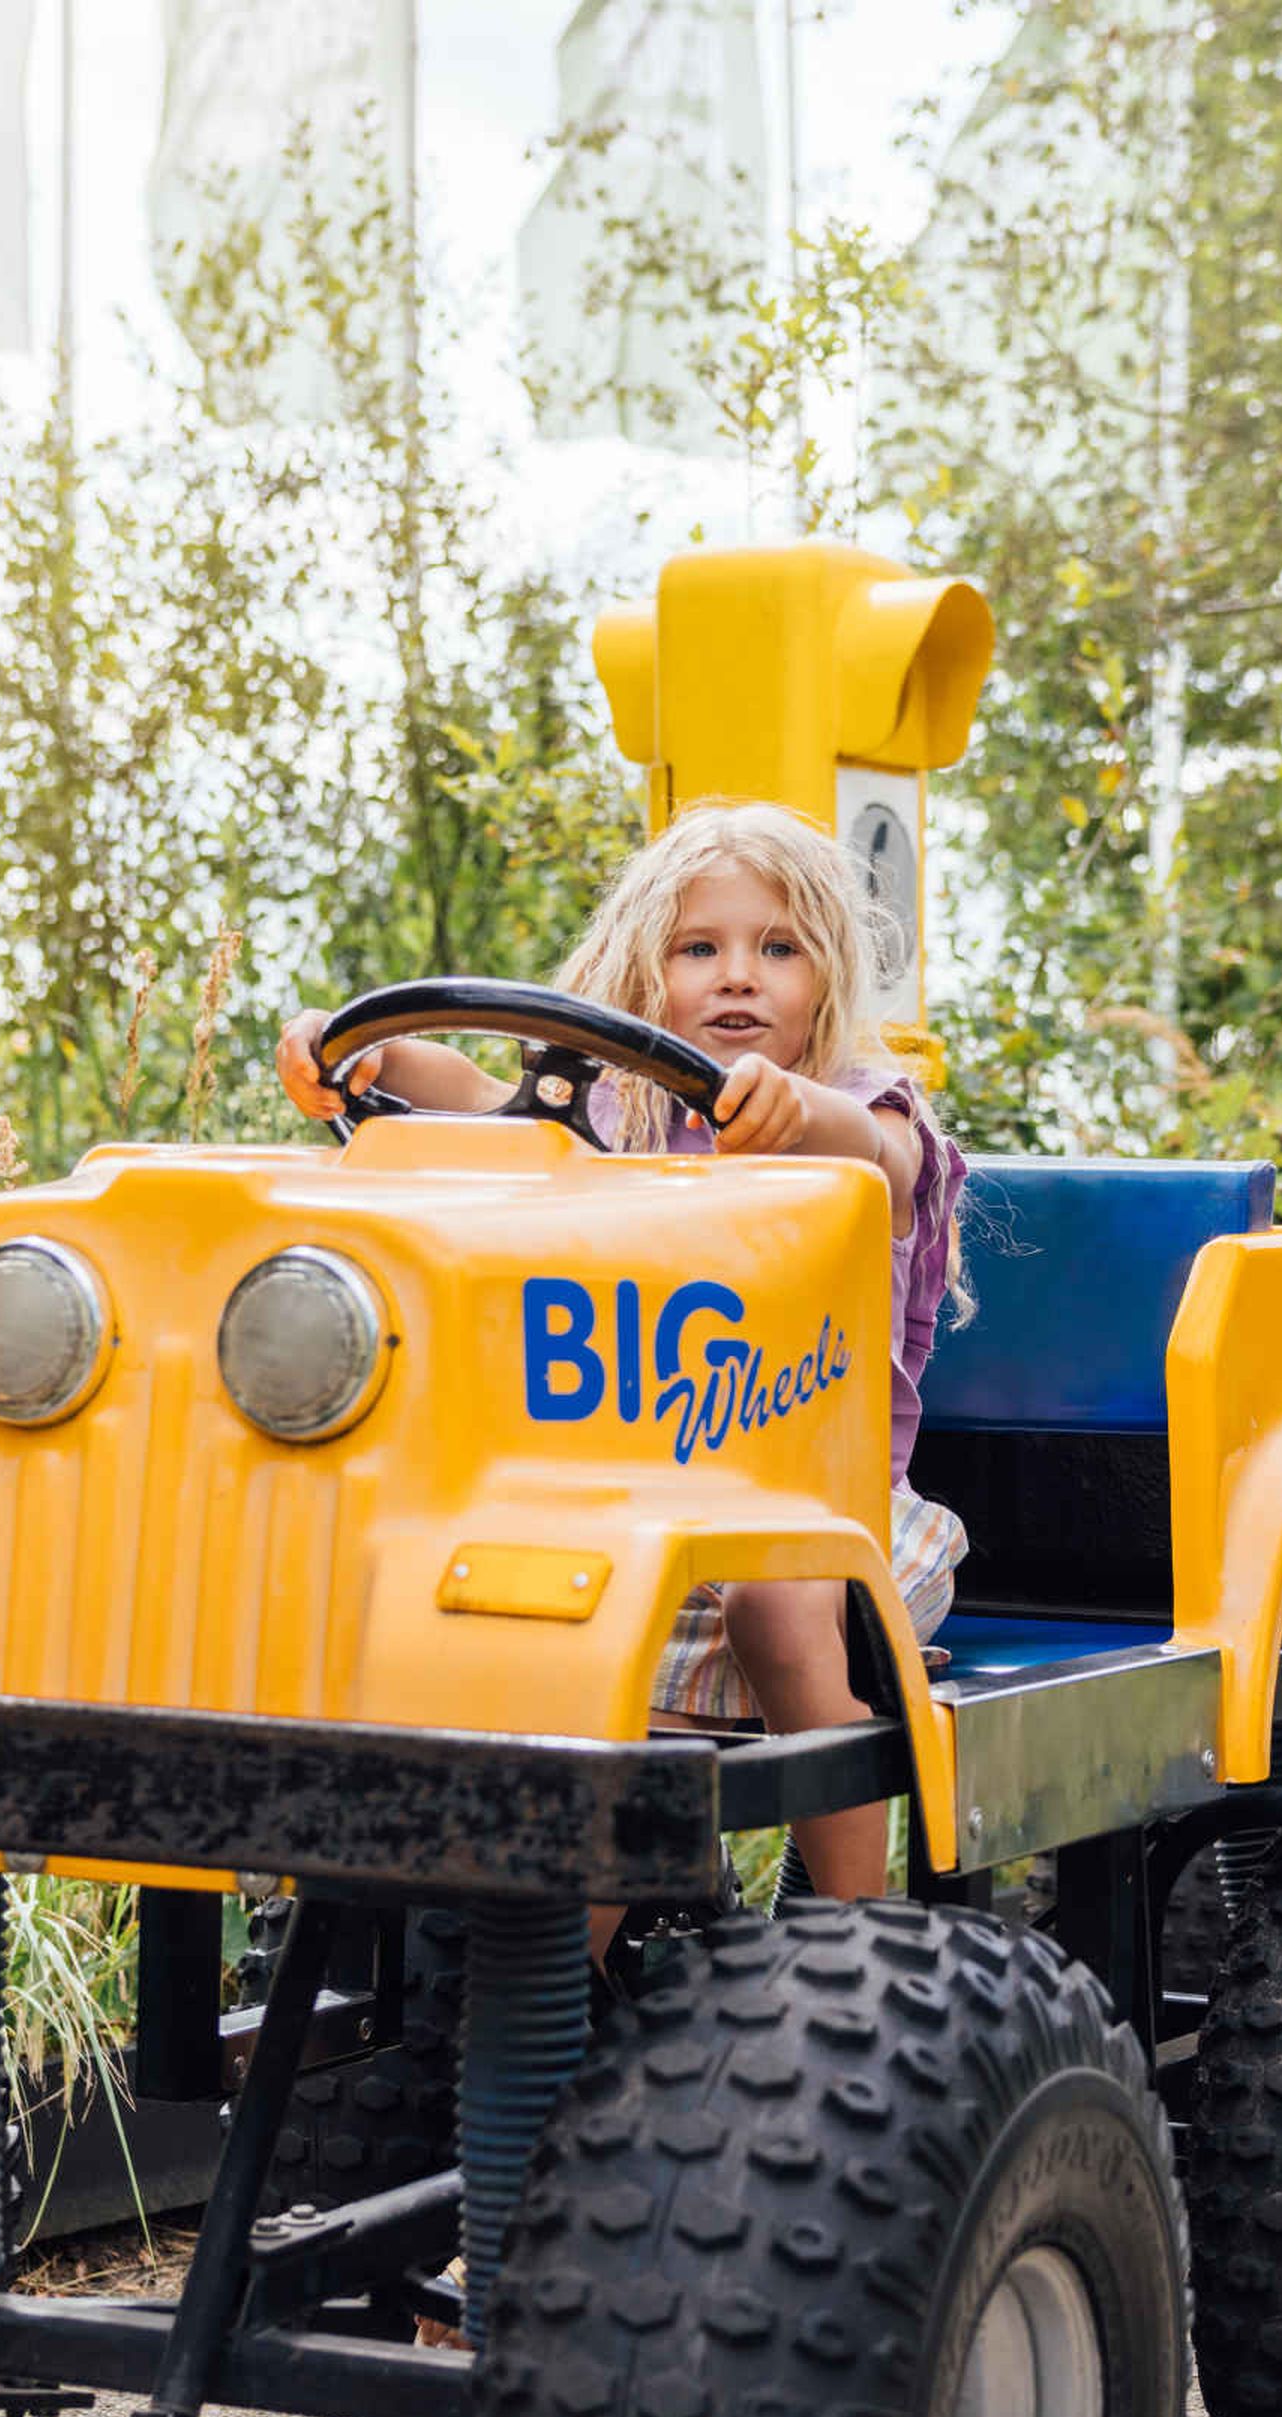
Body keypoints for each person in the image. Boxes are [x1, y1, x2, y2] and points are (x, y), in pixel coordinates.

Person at [275, 798, 965, 1903]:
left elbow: (879, 1161)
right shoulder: (612, 1114)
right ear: (648, 976)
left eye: (778, 949)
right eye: (702, 949)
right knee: (520, 1612)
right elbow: (453, 1091)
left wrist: (796, 1113)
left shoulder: (857, 1112)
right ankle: (560, 1985)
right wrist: (349, 1044)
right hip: (632, 1513)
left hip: (836, 1508)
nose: (740, 976)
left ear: (828, 977)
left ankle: (849, 1924)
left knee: (771, 1599)